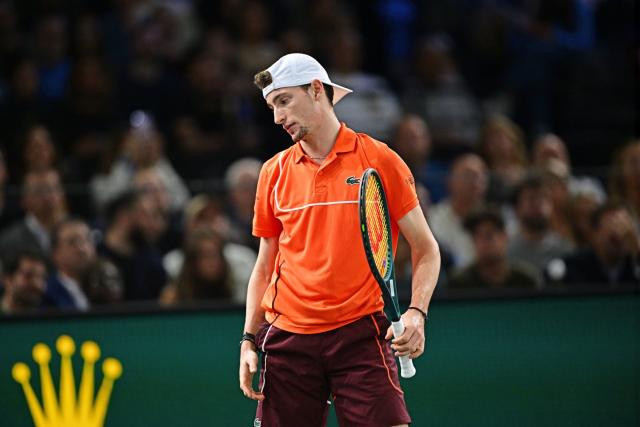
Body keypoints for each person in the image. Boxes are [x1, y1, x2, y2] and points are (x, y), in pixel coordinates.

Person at [239, 53, 441, 427]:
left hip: (360, 333)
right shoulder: (272, 173)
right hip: (288, 337)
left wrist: (417, 312)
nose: (277, 117)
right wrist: (249, 340)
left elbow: (426, 248)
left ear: (317, 90)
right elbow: (264, 265)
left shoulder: (379, 159)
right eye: (271, 106)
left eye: (284, 101)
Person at [448, 207, 541, 291]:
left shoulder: (526, 281)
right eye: (477, 236)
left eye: (489, 235)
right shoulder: (460, 283)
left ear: (504, 237)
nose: (483, 242)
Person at [1, 250, 48, 315]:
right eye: (28, 276)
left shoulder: (48, 320)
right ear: (8, 280)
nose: (37, 284)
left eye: (41, 277)